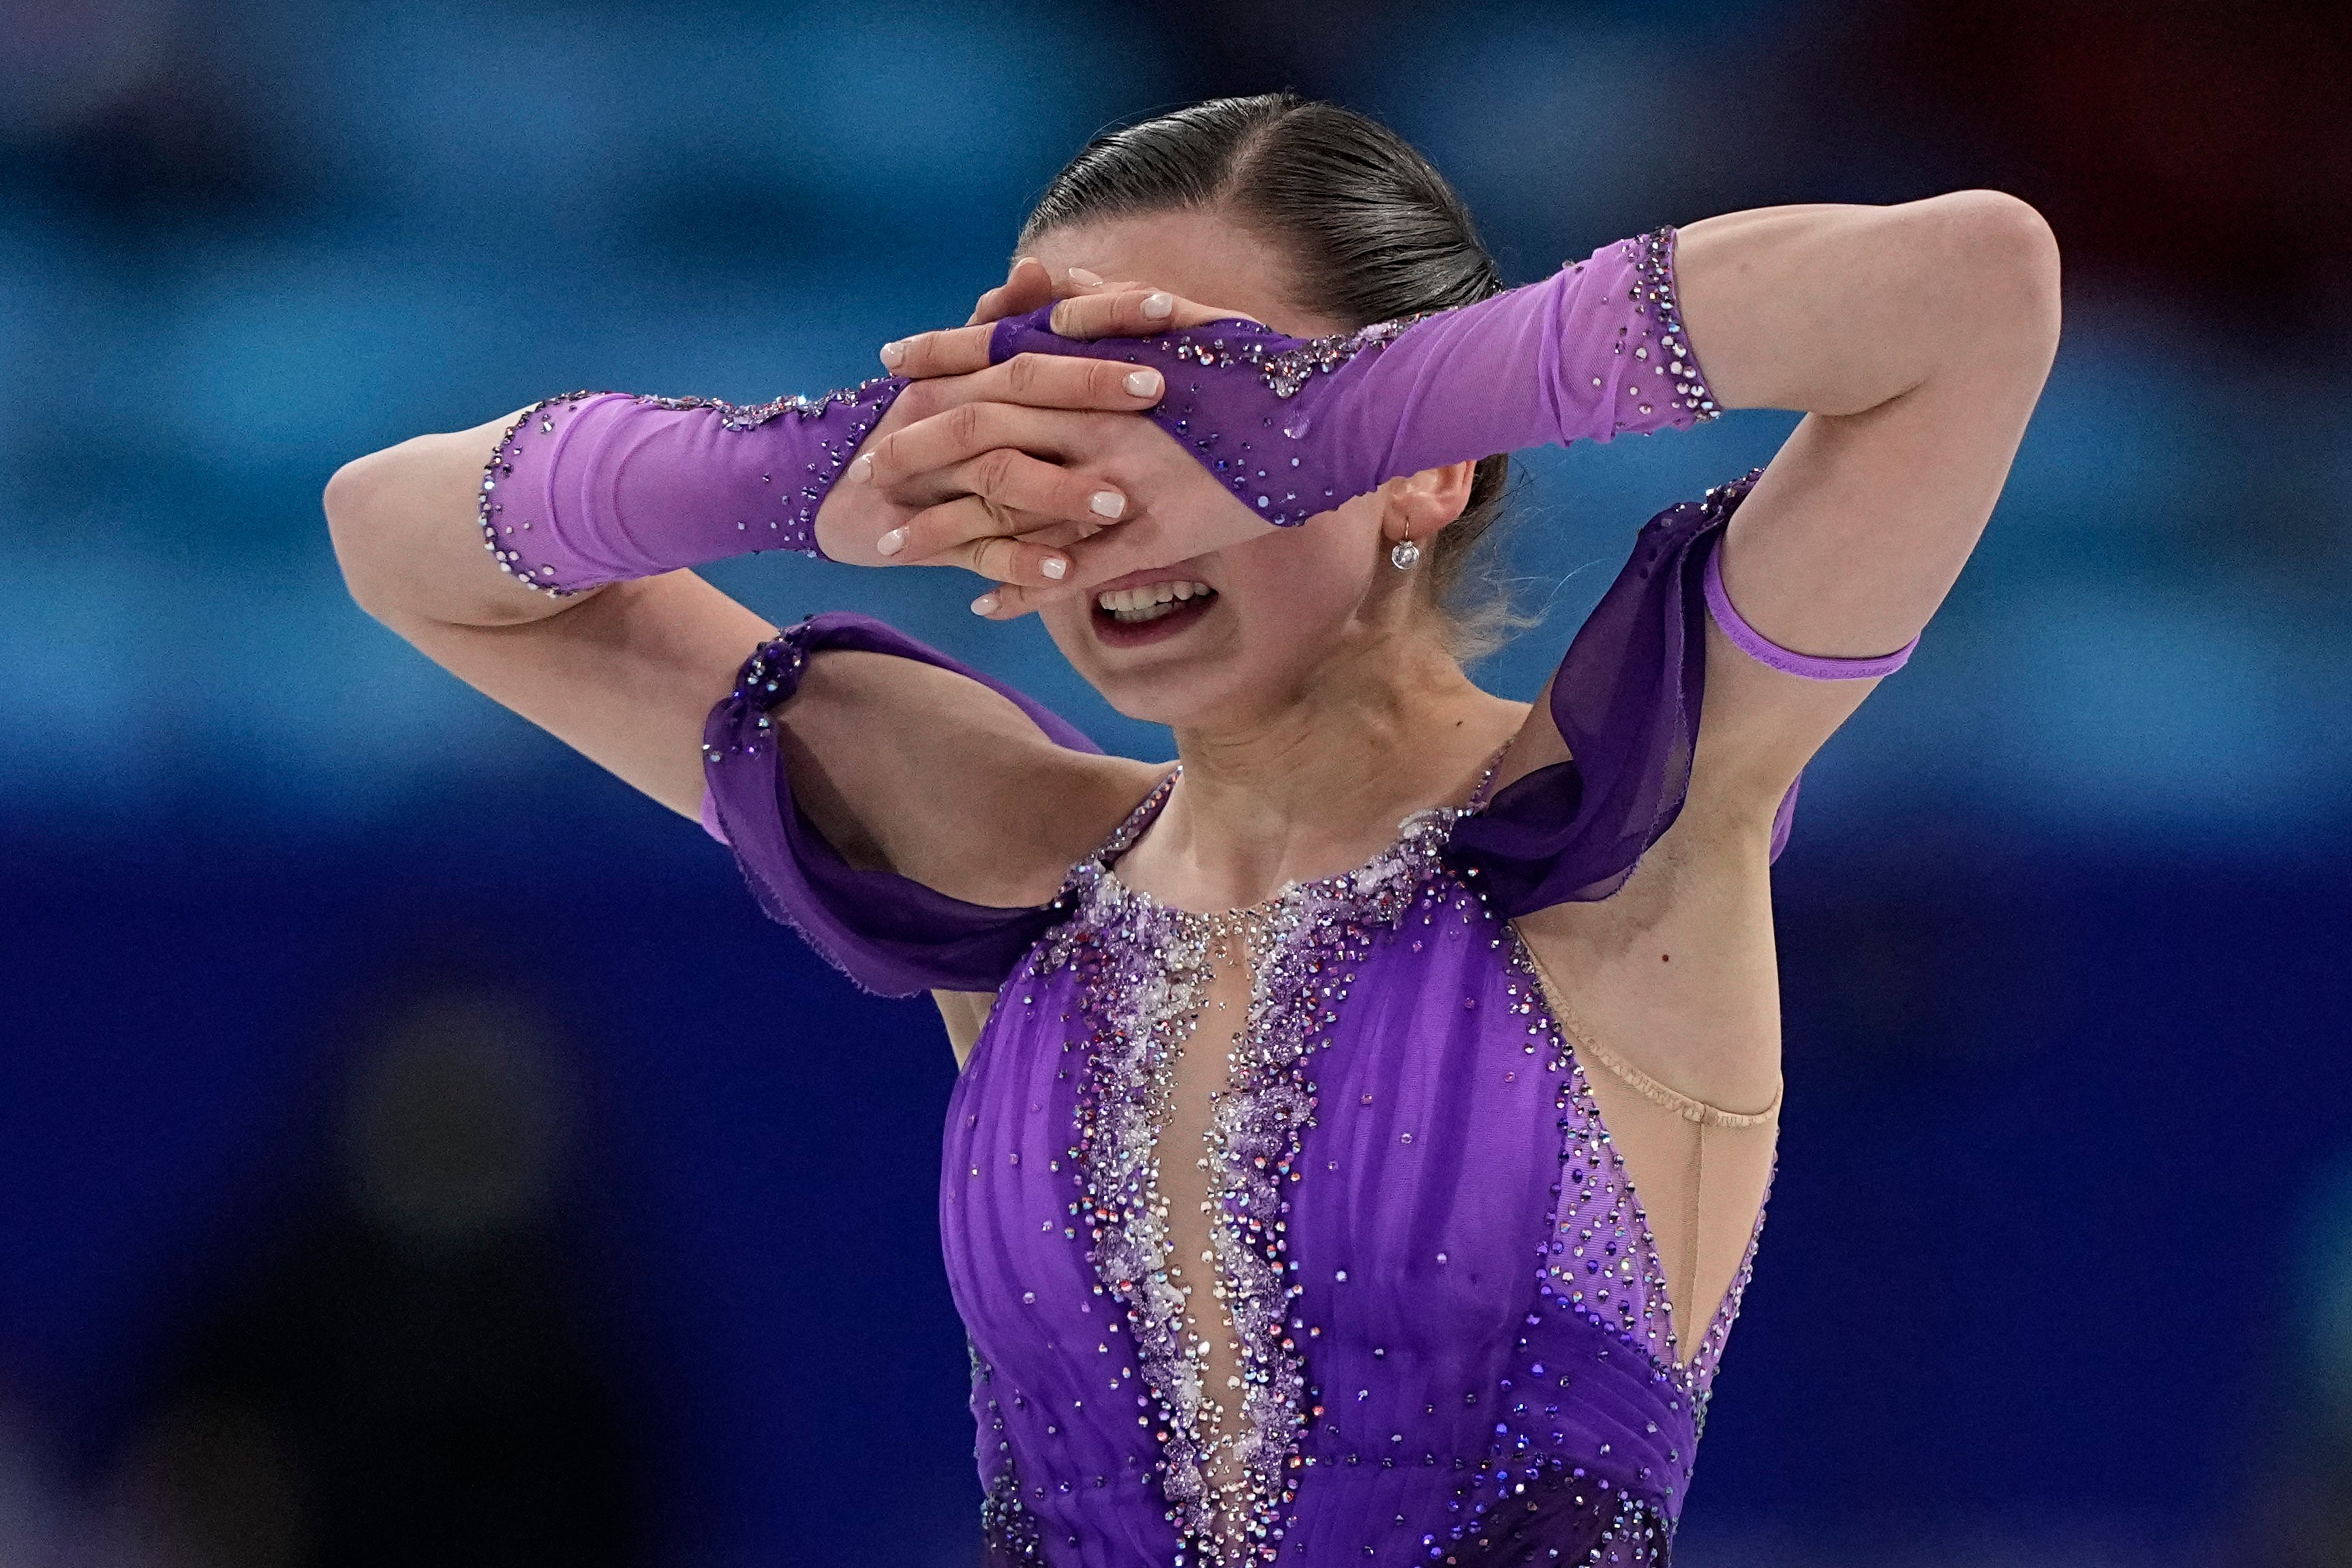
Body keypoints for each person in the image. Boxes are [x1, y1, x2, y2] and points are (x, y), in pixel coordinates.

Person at [324, 94, 2058, 1566]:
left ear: (1425, 463)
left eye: (1195, 418)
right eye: (1056, 423)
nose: (1114, 497)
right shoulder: (1013, 864)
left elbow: (1970, 288)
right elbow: (390, 538)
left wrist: (1348, 413)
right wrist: (807, 469)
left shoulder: (1617, 826)